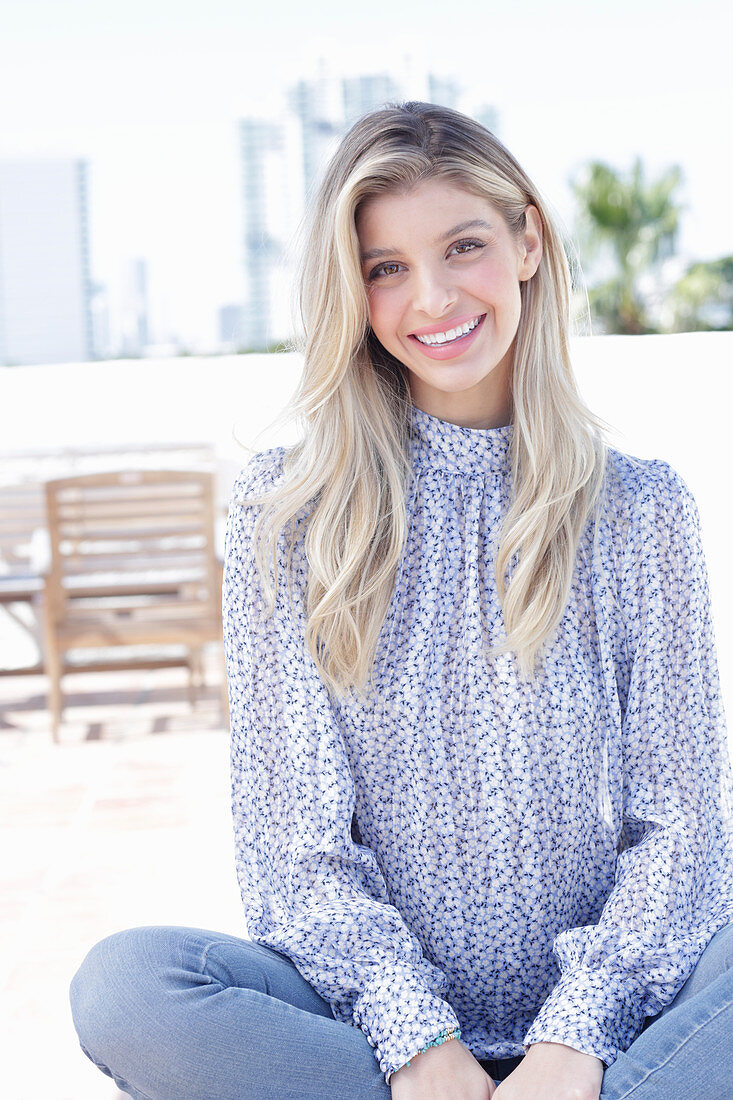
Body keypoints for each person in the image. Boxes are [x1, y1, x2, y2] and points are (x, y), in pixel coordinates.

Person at [69, 102, 733, 1100]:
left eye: (461, 245)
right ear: (354, 288)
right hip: (375, 1045)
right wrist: (418, 1038)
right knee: (127, 986)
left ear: (526, 242)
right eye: (385, 266)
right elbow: (292, 852)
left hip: (604, 1038)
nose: (430, 296)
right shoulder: (289, 509)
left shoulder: (639, 511)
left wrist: (574, 1035)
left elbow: (682, 834)